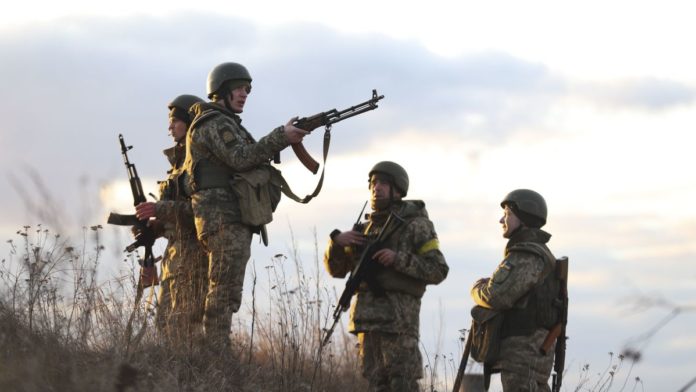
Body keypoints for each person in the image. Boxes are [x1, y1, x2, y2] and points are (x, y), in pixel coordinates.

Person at [179, 62, 308, 349]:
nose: (244, 94)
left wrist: (282, 139)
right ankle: (215, 351)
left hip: (229, 216)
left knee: (227, 288)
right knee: (223, 289)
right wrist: (280, 137)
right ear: (222, 90)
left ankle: (215, 347)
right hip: (221, 217)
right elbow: (240, 158)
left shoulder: (227, 123)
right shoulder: (214, 123)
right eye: (239, 88)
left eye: (247, 89)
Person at [323, 161, 449, 392]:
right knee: (376, 384)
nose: (376, 188)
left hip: (397, 323)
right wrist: (337, 244)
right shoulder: (364, 230)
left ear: (397, 190)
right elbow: (337, 270)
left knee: (402, 382)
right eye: (373, 183)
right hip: (366, 322)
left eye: (383, 183)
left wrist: (398, 259)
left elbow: (438, 269)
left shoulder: (416, 225)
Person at [134, 94, 209, 347]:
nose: (170, 127)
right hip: (175, 256)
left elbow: (200, 211)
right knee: (166, 323)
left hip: (195, 257)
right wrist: (152, 227)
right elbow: (175, 215)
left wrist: (159, 207)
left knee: (184, 326)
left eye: (175, 121)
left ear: (189, 123)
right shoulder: (178, 165)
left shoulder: (200, 164)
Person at [470, 189, 559, 392]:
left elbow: (497, 296)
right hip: (531, 349)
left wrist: (476, 289)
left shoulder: (527, 255)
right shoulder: (534, 253)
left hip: (523, 350)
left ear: (524, 219)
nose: (502, 219)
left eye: (508, 214)